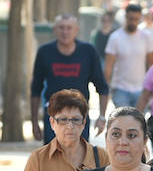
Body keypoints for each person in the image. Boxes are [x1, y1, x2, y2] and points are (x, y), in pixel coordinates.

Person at [30, 13, 109, 144]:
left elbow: (102, 87)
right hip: (53, 115)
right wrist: (34, 122)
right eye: (61, 28)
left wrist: (101, 117)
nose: (65, 32)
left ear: (76, 30)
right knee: (53, 159)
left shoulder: (88, 51)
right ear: (55, 30)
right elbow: (35, 89)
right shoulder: (45, 52)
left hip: (79, 115)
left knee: (80, 160)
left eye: (69, 28)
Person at [106, 2, 153, 109]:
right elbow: (108, 67)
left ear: (140, 18)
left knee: (138, 123)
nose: (133, 22)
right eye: (130, 18)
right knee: (124, 122)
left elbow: (151, 64)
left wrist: (152, 88)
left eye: (136, 19)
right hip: (120, 89)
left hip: (141, 89)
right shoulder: (115, 37)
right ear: (125, 17)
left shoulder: (146, 37)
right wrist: (107, 91)